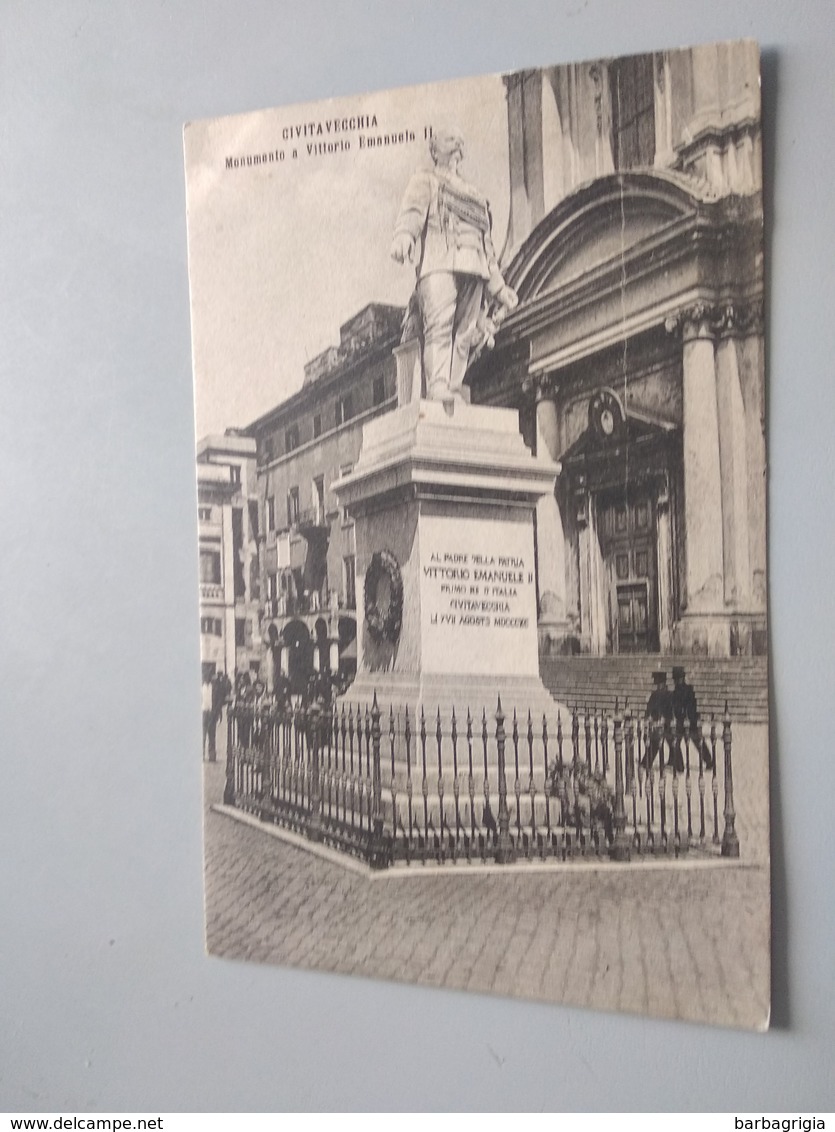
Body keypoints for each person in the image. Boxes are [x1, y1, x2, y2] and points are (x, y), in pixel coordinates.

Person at [391, 127, 518, 402]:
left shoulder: (474, 194)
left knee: (466, 330)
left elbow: (487, 244)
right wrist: (404, 235)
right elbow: (412, 211)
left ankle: (453, 384)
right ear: (434, 150)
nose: (457, 144)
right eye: (449, 140)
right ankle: (437, 384)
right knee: (439, 323)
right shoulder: (425, 180)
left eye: (459, 140)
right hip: (438, 261)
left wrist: (498, 287)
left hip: (474, 268)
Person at [671, 665, 714, 770]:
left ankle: (708, 761)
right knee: (678, 742)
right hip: (683, 720)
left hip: (688, 719)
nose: (677, 681)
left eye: (678, 679)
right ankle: (679, 765)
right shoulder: (678, 691)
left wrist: (688, 716)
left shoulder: (686, 690)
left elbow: (691, 705)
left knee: (696, 741)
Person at [641, 670, 674, 771]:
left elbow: (650, 708)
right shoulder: (667, 693)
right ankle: (676, 763)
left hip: (660, 722)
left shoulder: (656, 694)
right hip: (666, 721)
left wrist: (650, 718)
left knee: (656, 742)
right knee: (671, 742)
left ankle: (646, 762)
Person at [202, 671, 217, 761]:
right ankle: (202, 754)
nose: (207, 678)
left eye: (208, 677)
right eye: (205, 677)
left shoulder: (214, 687)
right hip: (203, 712)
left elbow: (217, 700)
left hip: (211, 713)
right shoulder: (201, 688)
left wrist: (216, 711)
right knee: (202, 734)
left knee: (212, 734)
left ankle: (212, 754)